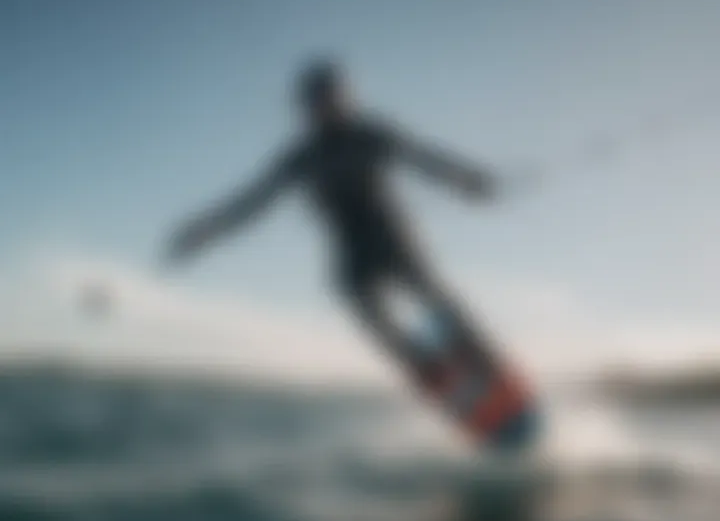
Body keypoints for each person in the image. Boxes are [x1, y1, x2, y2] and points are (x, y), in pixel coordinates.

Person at [165, 59, 506, 386]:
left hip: (391, 237)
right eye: (317, 100)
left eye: (333, 96)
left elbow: (425, 158)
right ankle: (424, 364)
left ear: (345, 96)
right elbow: (250, 204)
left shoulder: (371, 134)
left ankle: (479, 356)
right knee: (358, 300)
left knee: (429, 294)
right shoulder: (301, 158)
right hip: (352, 251)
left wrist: (469, 180)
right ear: (306, 107)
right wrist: (203, 231)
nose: (327, 105)